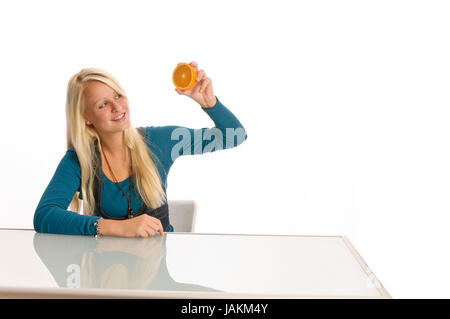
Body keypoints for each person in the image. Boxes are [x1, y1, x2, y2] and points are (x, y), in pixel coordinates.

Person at [33, 61, 247, 237]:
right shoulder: (79, 159)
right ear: (86, 118)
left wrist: (208, 101)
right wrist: (116, 227)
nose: (117, 107)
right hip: (107, 276)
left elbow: (235, 135)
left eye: (117, 96)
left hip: (161, 276)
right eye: (103, 104)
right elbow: (44, 216)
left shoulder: (160, 141)